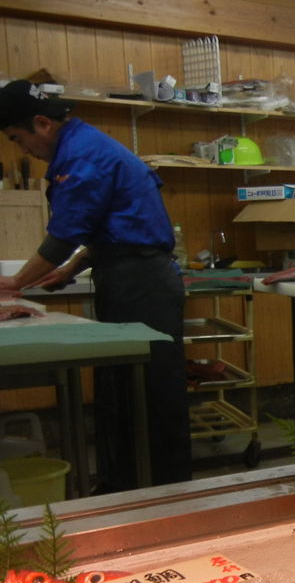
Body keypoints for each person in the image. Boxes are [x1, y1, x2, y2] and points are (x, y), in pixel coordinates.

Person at [0, 79, 191, 494]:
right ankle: (126, 486)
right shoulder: (83, 145)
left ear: (41, 124)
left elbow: (67, 231)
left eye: (18, 139)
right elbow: (111, 223)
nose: (23, 150)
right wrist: (73, 267)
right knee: (121, 389)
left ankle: (164, 494)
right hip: (126, 275)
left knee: (150, 393)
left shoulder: (81, 156)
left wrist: (14, 283)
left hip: (142, 283)